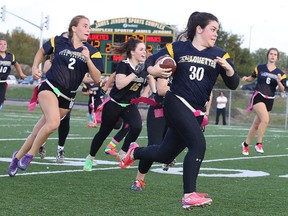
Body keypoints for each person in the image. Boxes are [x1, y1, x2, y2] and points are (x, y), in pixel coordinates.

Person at [119, 11, 240, 209]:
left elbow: (233, 84)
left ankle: (135, 151)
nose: (216, 34)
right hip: (176, 102)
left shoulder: (219, 53)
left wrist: (229, 69)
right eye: (212, 29)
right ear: (199, 29)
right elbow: (150, 61)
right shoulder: (177, 48)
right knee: (198, 144)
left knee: (165, 155)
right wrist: (153, 71)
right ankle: (189, 194)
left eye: (217, 30)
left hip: (196, 111)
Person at [8, 15, 104, 177]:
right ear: (74, 28)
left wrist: (87, 59)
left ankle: (16, 157)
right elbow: (41, 51)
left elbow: (97, 78)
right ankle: (29, 154)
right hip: (50, 87)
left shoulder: (92, 52)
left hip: (68, 98)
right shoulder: (58, 41)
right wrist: (34, 68)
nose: (88, 29)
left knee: (39, 130)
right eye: (85, 25)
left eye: (89, 27)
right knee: (53, 124)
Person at [83, 37, 153, 171]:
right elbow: (120, 84)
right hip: (114, 104)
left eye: (145, 49)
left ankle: (123, 152)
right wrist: (135, 73)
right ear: (132, 52)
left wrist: (152, 91)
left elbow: (150, 77)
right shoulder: (124, 65)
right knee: (103, 133)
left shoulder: (144, 66)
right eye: (141, 49)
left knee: (137, 126)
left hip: (129, 105)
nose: (145, 52)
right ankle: (90, 157)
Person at [240, 48, 286, 156]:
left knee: (256, 124)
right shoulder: (260, 68)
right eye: (271, 54)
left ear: (277, 57)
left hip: (270, 99)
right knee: (265, 120)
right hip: (258, 96)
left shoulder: (280, 73)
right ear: (268, 55)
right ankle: (259, 143)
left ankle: (245, 145)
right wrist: (246, 79)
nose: (273, 56)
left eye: (275, 54)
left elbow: (282, 90)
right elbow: (252, 78)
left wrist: (279, 82)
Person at [0, 39, 27, 111]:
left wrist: (21, 73)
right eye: (0, 44)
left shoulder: (10, 56)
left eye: (4, 44)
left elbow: (16, 64)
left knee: (1, 100)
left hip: (2, 82)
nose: (2, 46)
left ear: (7, 47)